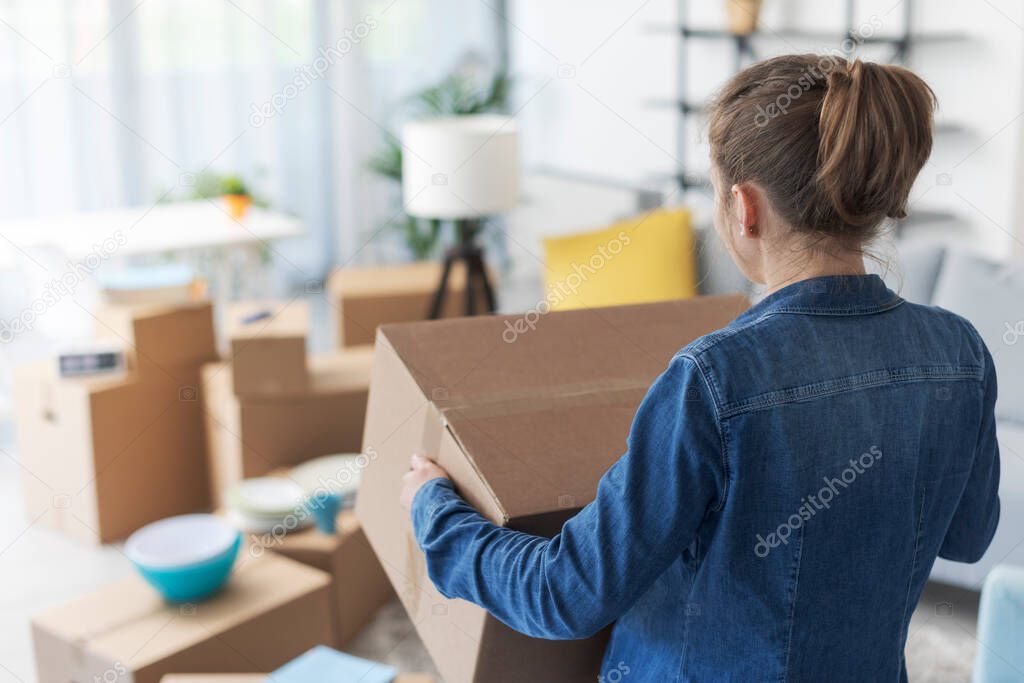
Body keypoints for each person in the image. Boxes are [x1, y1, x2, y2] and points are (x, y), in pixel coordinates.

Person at [398, 55, 1000, 682]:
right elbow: (966, 536)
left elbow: (565, 593)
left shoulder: (714, 378)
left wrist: (433, 512)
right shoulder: (960, 353)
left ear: (744, 208)